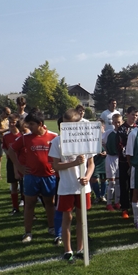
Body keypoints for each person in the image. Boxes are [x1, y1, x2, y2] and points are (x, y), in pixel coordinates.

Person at [49, 109, 95, 262]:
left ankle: (80, 249)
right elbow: (55, 166)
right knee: (67, 218)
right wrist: (74, 163)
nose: (67, 129)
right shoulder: (57, 141)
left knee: (82, 219)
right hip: (66, 187)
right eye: (65, 125)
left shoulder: (86, 140)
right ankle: (68, 250)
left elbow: (91, 164)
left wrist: (87, 177)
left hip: (83, 187)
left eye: (70, 126)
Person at [10, 110, 57, 242]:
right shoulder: (25, 138)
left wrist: (57, 166)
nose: (28, 127)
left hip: (49, 176)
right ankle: (28, 233)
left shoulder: (54, 136)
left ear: (40, 124)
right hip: (31, 177)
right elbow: (11, 150)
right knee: (29, 204)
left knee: (50, 203)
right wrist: (19, 167)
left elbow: (62, 153)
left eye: (31, 124)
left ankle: (52, 228)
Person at [117, 106, 138, 219]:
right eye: (132, 114)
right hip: (124, 161)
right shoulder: (121, 129)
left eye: (136, 115)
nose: (134, 117)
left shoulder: (137, 128)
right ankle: (124, 207)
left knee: (135, 185)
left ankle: (135, 207)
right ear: (127, 115)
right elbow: (120, 145)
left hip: (136, 161)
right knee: (124, 185)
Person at [2, 113, 23, 215]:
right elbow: (5, 148)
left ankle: (26, 206)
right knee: (13, 185)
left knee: (24, 185)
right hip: (11, 162)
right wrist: (10, 154)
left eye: (13, 122)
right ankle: (15, 207)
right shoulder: (6, 136)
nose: (11, 124)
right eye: (10, 122)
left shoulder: (22, 135)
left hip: (22, 162)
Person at [103, 113, 122, 210]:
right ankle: (109, 202)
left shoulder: (123, 133)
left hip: (120, 159)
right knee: (112, 182)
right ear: (113, 123)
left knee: (118, 182)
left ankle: (117, 202)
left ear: (121, 122)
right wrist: (106, 150)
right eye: (115, 122)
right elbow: (102, 142)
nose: (117, 124)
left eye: (119, 122)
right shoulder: (108, 133)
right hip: (110, 158)